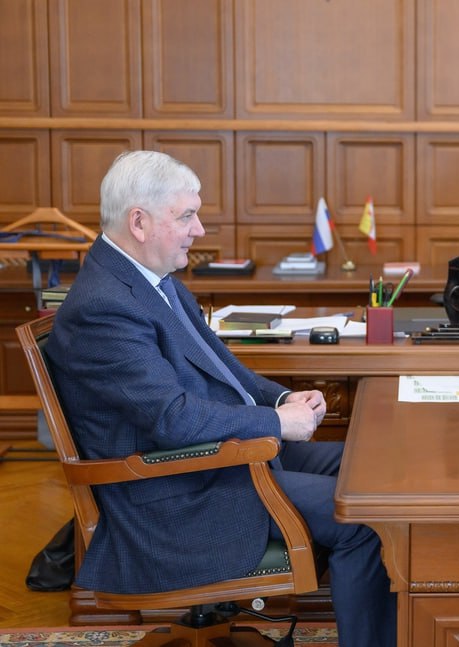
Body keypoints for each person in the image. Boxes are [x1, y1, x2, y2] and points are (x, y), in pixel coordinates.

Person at [45, 150, 395, 647]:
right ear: (139, 222)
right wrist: (278, 424)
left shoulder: (154, 281)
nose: (200, 230)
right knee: (360, 517)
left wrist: (282, 399)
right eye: (187, 216)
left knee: (371, 470)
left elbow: (226, 370)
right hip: (174, 496)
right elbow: (172, 419)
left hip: (217, 461)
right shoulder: (103, 308)